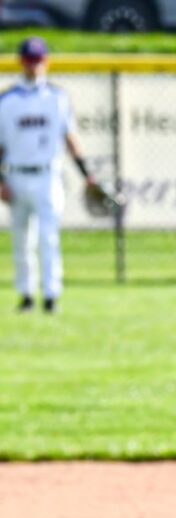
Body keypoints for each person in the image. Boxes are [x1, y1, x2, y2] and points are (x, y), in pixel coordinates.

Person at [0, 36, 97, 315]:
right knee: (21, 240)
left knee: (48, 237)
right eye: (29, 60)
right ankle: (26, 295)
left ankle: (51, 295)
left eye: (38, 60)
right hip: (16, 175)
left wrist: (85, 173)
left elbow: (70, 138)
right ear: (21, 62)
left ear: (46, 62)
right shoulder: (7, 101)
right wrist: (1, 182)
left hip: (47, 175)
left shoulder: (57, 97)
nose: (34, 66)